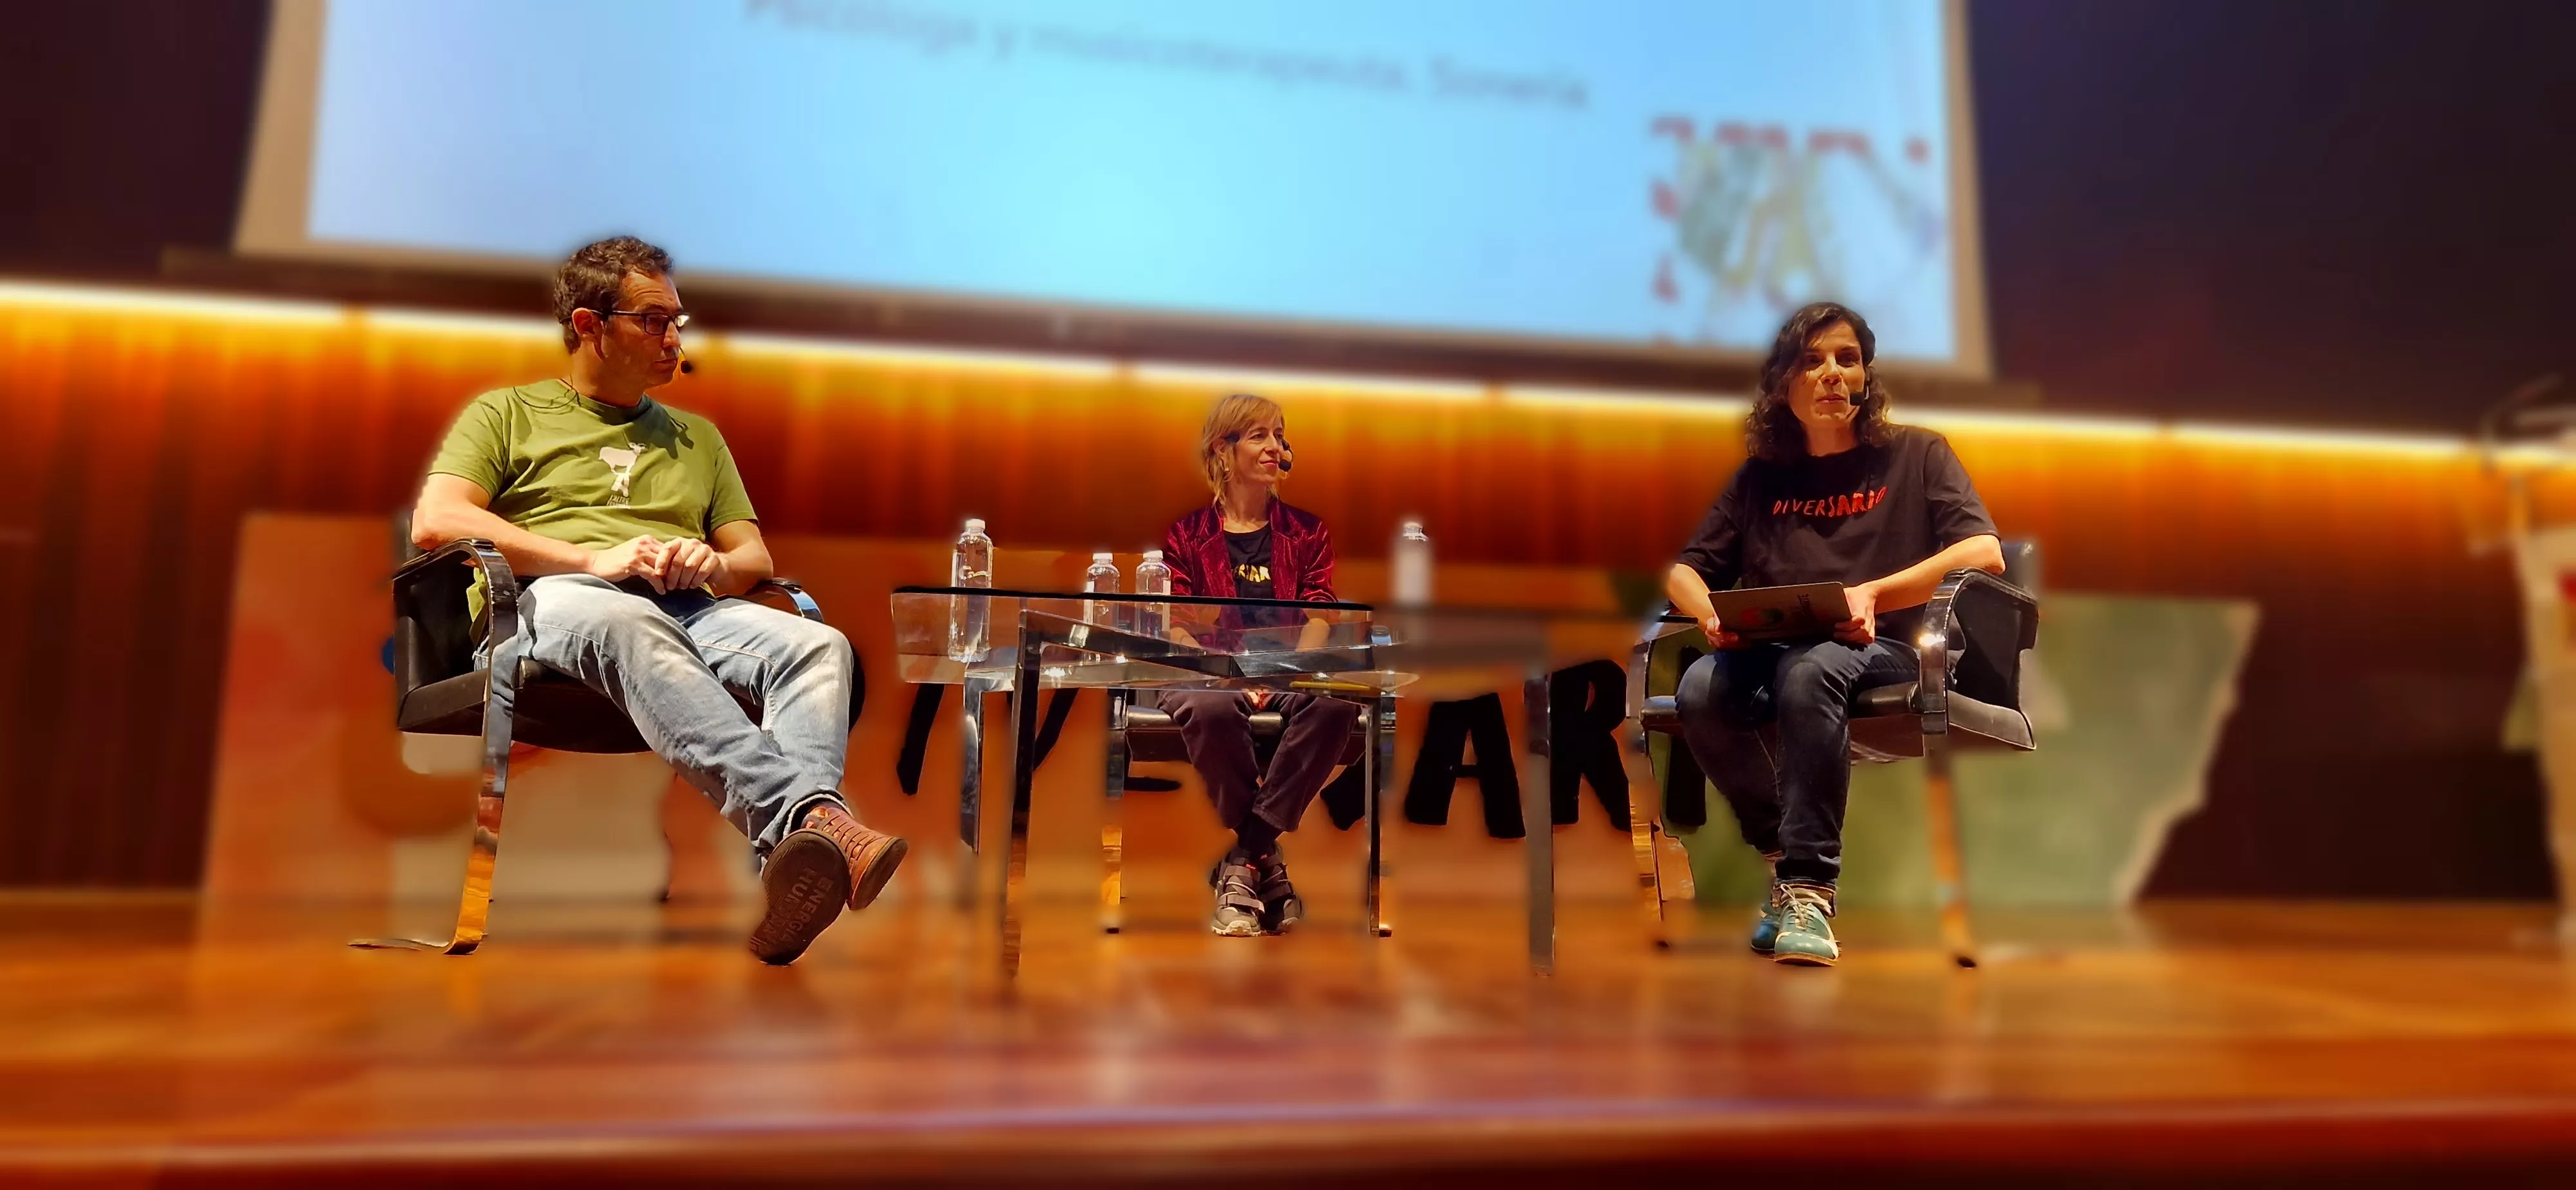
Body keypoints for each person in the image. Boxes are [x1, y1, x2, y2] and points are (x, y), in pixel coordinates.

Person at [410, 236, 906, 965]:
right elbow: (438, 520)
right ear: (588, 326)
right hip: (556, 601)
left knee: (816, 645)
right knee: (627, 614)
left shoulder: (697, 438)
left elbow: (753, 561)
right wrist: (592, 558)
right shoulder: (506, 413)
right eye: (653, 321)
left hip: (692, 611)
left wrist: (711, 559)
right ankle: (819, 826)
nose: (675, 339)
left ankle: (801, 859)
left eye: (679, 321)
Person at [1663, 301, 2003, 967]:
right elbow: (1684, 571)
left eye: (1847, 359)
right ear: (1781, 383)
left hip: (1890, 652)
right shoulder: (1762, 481)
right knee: (1701, 686)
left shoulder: (1917, 454)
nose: (1831, 374)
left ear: (1866, 378)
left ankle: (1811, 892)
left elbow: (1983, 551)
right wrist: (1708, 614)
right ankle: (1782, 865)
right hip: (1780, 655)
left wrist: (1873, 592)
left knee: (1813, 667)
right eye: (1812, 360)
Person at [1157, 393, 1361, 937]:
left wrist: (1279, 674)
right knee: (1213, 710)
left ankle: (1242, 857)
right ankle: (1262, 862)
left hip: (1287, 671)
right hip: (1208, 674)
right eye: (1259, 435)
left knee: (1337, 704)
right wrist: (1228, 674)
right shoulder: (1187, 536)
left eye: (1280, 435)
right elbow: (1176, 625)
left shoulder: (1307, 532)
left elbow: (1321, 609)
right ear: (1223, 450)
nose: (1276, 447)